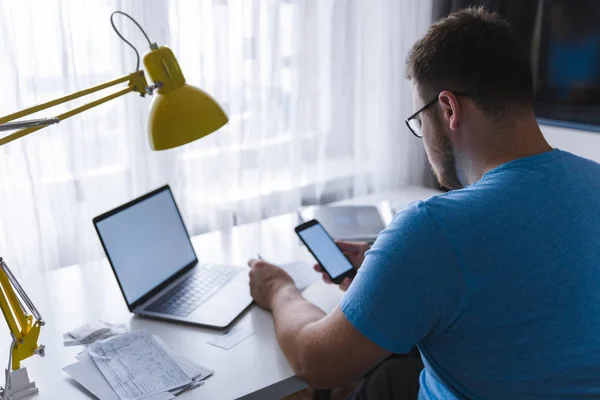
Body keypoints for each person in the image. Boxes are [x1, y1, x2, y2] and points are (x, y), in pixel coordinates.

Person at [248, 6, 600, 400]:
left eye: (420, 118)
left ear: (448, 109)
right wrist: (392, 272)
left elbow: (318, 364)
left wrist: (279, 288)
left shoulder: (436, 229)